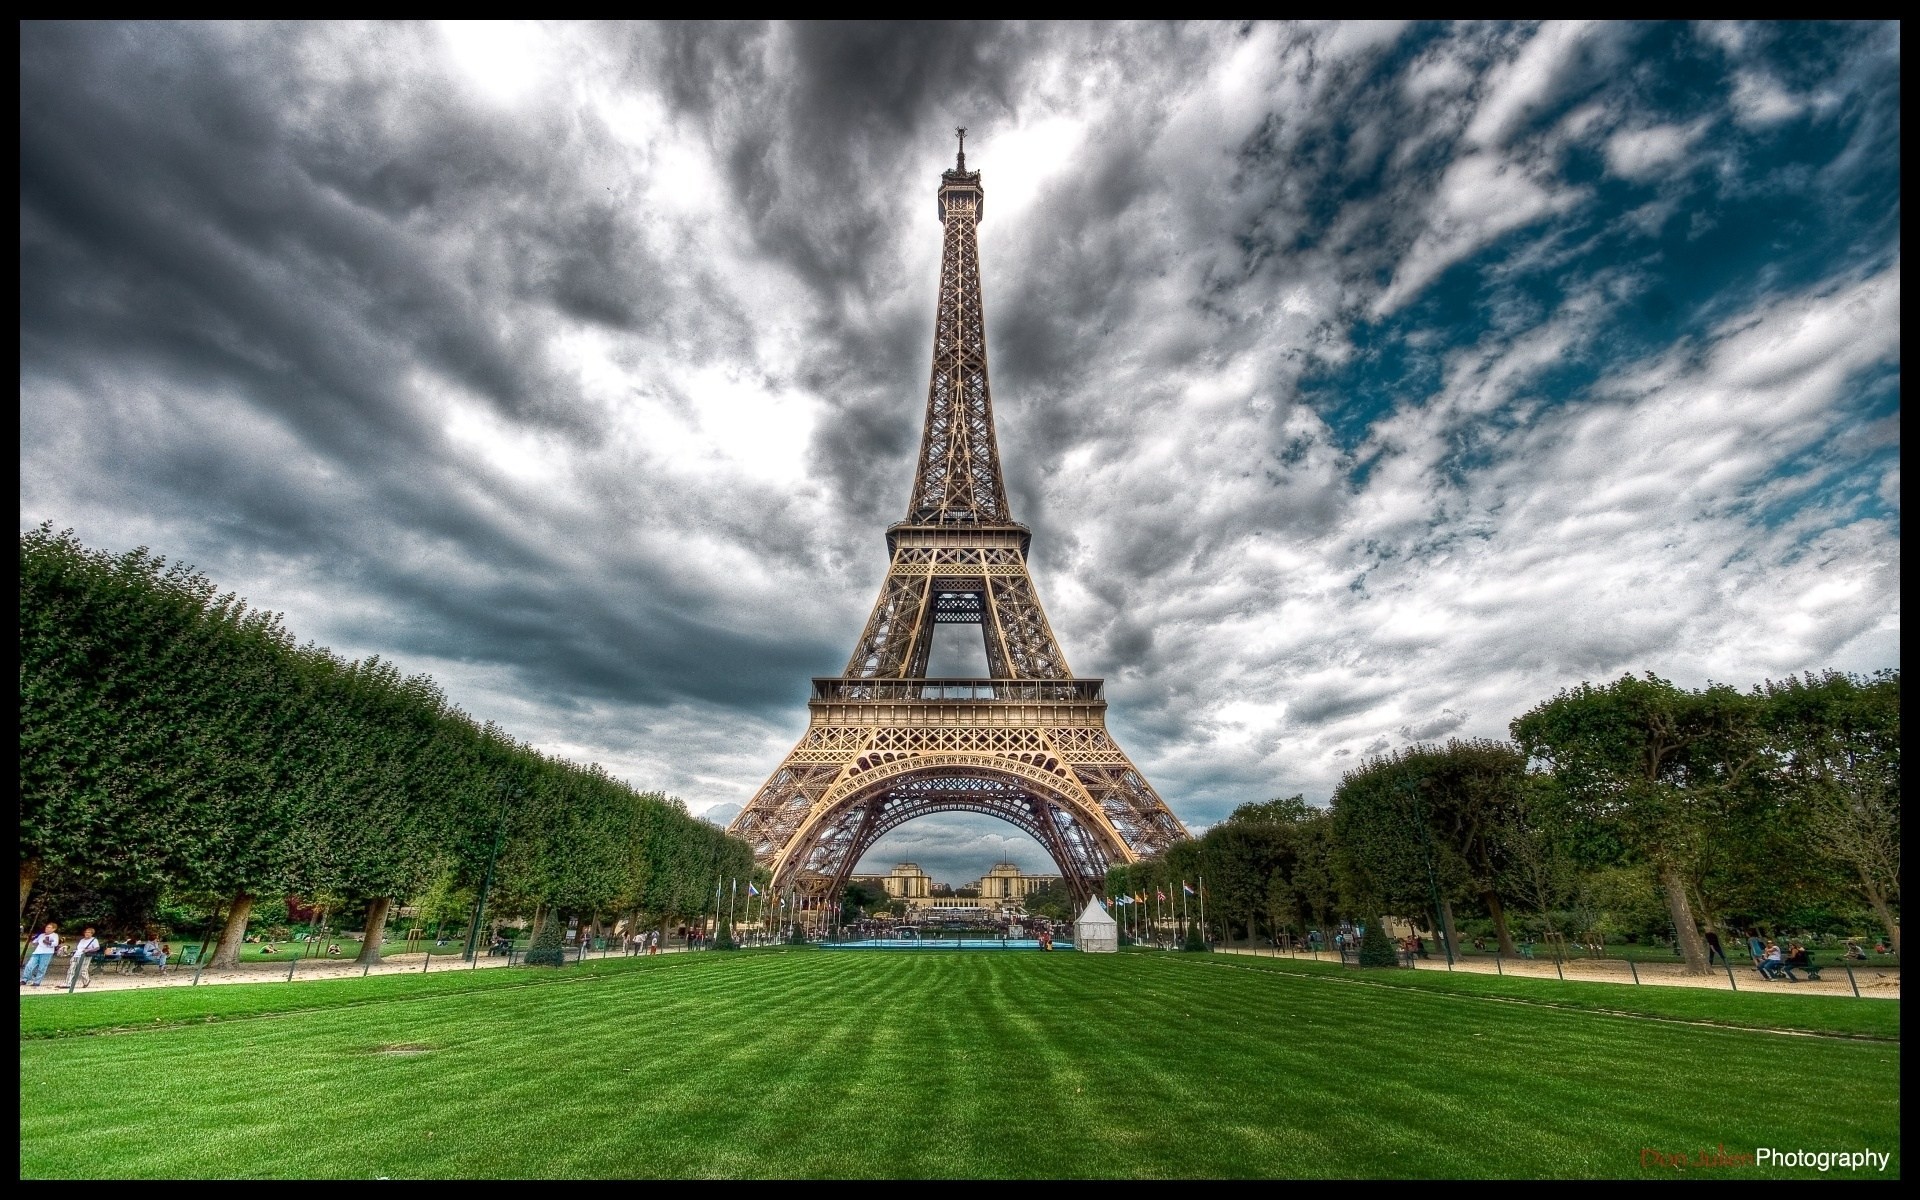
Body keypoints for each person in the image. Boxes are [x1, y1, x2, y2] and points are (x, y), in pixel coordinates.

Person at [21, 922, 60, 986]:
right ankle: (24, 980)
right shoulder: (42, 935)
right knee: (29, 966)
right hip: (37, 952)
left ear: (54, 929)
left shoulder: (55, 935)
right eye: (47, 927)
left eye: (49, 927)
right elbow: (35, 942)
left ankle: (37, 982)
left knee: (42, 968)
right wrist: (32, 940)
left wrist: (48, 943)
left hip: (47, 953)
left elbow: (55, 943)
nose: (47, 928)